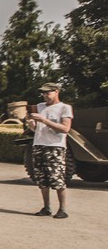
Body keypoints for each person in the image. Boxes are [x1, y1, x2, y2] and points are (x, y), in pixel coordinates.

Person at [28, 82, 73, 219]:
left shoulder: (64, 108)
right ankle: (46, 207)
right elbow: (37, 129)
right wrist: (32, 126)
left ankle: (62, 209)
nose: (45, 96)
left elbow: (65, 128)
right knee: (41, 179)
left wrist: (44, 120)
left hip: (55, 146)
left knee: (57, 178)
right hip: (39, 144)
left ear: (56, 92)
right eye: (43, 93)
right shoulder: (39, 107)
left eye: (48, 93)